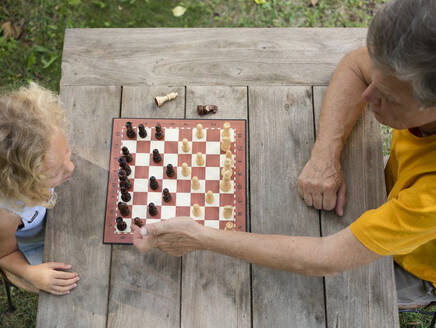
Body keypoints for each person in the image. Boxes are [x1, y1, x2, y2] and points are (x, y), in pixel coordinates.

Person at [132, 0, 436, 308]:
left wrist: (200, 237)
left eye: (387, 97)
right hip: (397, 187)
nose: (367, 96)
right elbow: (356, 67)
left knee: (356, 297)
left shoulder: (431, 197)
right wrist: (324, 156)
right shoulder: (417, 62)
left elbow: (325, 258)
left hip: (415, 261)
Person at [0, 82, 78, 295]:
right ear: (21, 184)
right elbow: (5, 256)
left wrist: (57, 167)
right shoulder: (4, 213)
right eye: (56, 172)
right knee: (78, 275)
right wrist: (32, 274)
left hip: (44, 216)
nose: (71, 167)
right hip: (27, 244)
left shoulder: (44, 148)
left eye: (67, 152)